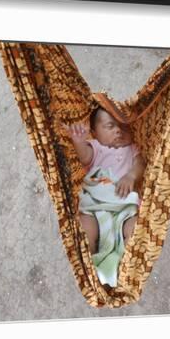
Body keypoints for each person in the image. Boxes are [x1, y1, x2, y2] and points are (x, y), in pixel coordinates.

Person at [64, 106, 146, 258]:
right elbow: (84, 157)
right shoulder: (96, 147)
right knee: (84, 226)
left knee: (136, 228)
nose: (118, 130)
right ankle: (90, 260)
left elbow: (140, 164)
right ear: (94, 133)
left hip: (124, 208)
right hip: (96, 207)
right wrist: (78, 142)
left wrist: (131, 176)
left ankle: (126, 265)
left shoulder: (131, 148)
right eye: (110, 126)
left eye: (123, 126)